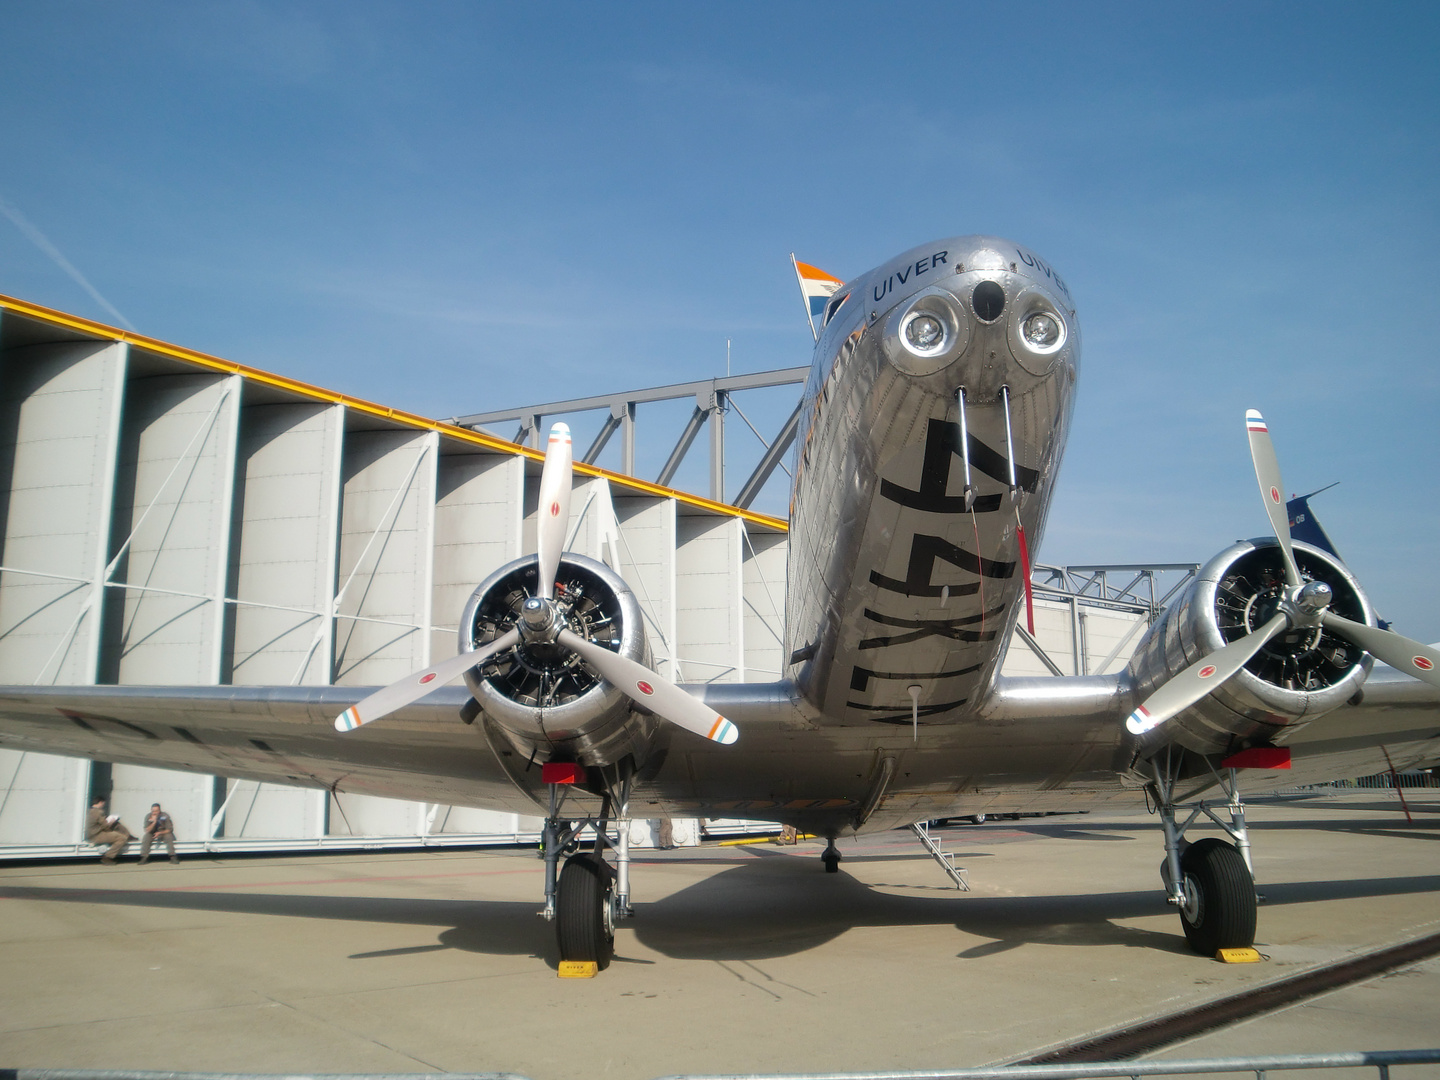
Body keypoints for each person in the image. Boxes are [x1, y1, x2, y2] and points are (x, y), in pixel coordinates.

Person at [85, 796, 133, 864]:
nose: (103, 805)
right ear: (101, 802)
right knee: (121, 838)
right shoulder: (98, 812)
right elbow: (105, 826)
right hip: (97, 835)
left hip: (91, 834)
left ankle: (128, 835)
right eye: (103, 804)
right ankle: (108, 857)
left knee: (116, 826)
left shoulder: (89, 811)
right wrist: (111, 822)